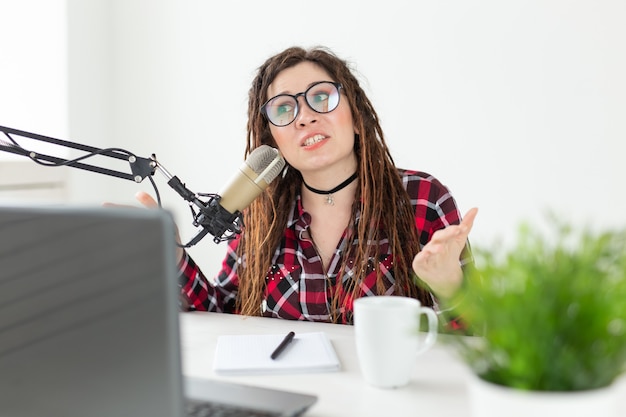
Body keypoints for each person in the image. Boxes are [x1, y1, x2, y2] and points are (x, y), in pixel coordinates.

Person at [137, 45, 477, 325]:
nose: (304, 117)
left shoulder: (423, 199)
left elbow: (481, 338)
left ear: (357, 117)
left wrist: (450, 287)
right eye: (284, 108)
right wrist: (173, 254)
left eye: (322, 97)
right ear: (274, 141)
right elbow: (221, 314)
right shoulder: (260, 213)